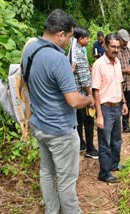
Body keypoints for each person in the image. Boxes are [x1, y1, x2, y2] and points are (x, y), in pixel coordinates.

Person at [22, 9, 95, 214]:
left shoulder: (31, 49)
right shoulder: (58, 59)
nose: (68, 42)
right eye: (69, 37)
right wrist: (88, 99)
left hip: (39, 125)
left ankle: (52, 211)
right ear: (60, 34)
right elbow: (73, 100)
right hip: (60, 130)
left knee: (46, 172)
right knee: (66, 179)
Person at [92, 33, 128, 183]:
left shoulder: (117, 62)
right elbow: (96, 90)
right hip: (105, 109)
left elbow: (119, 83)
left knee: (116, 139)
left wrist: (124, 102)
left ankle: (114, 164)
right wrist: (99, 115)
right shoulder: (99, 65)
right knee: (104, 141)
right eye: (113, 46)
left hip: (116, 106)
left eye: (118, 47)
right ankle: (104, 173)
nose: (116, 50)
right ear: (105, 46)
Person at [72, 26, 99, 158]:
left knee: (78, 121)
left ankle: (81, 144)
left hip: (75, 94)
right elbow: (84, 79)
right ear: (81, 39)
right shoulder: (79, 54)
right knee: (89, 121)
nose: (89, 40)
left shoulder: (73, 51)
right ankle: (90, 149)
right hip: (82, 94)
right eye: (87, 38)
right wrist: (90, 96)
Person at [117, 29, 130, 133]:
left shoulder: (128, 50)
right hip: (118, 84)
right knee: (117, 106)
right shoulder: (116, 52)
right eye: (124, 40)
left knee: (128, 105)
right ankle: (116, 127)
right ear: (119, 39)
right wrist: (125, 71)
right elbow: (115, 69)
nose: (126, 43)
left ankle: (126, 126)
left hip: (127, 83)